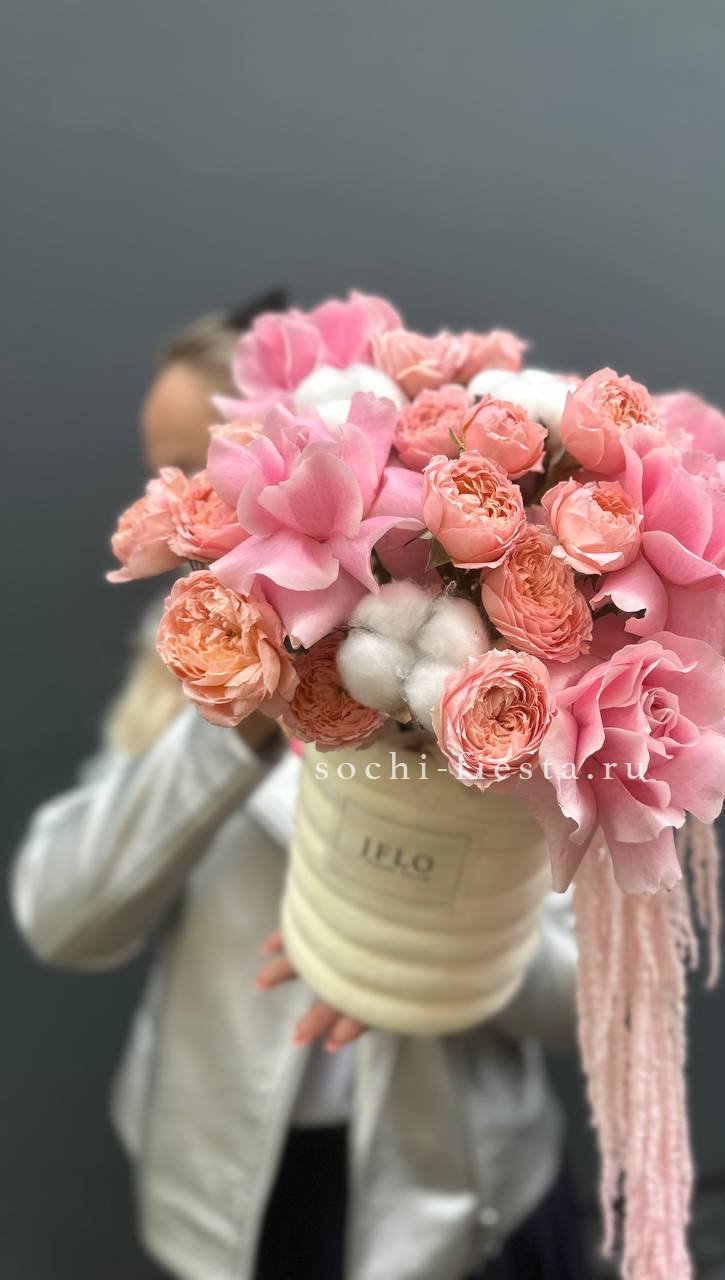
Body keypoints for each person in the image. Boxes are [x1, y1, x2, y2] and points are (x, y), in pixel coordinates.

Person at [10, 301, 587, 1280]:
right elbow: (60, 916)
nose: (178, 505)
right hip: (238, 1200)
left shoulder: (502, 684)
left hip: (462, 1197)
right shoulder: (177, 663)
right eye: (166, 476)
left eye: (199, 468)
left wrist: (421, 942)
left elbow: (587, 1003)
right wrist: (236, 725)